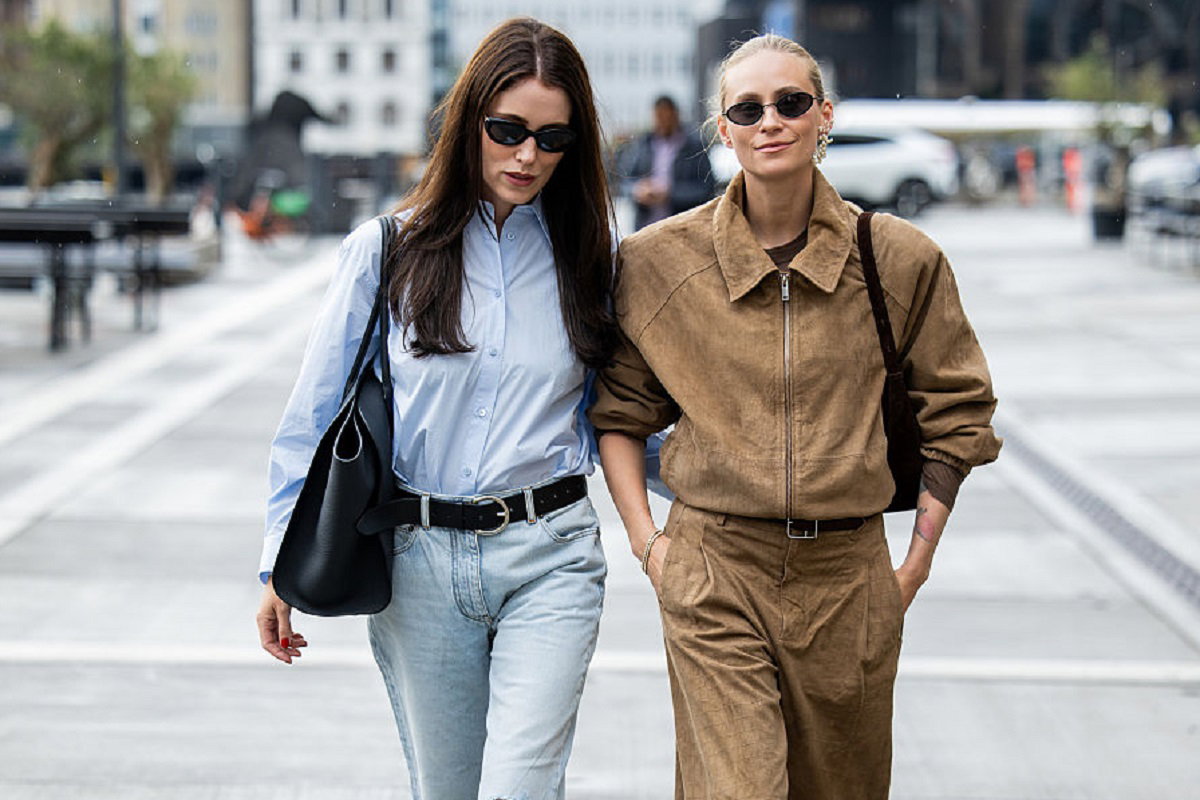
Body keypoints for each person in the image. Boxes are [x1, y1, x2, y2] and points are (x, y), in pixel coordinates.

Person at [589, 33, 1002, 799]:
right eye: (747, 108)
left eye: (790, 102)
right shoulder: (657, 263)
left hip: (849, 579)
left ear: (824, 116)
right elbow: (618, 414)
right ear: (723, 129)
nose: (769, 120)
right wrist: (652, 549)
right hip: (714, 569)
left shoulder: (900, 260)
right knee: (742, 788)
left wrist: (915, 561)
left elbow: (959, 409)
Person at [255, 18, 619, 800]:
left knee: (521, 789)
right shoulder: (386, 249)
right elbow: (313, 417)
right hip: (419, 561)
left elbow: (626, 419)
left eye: (552, 139)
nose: (528, 155)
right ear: (470, 123)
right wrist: (277, 564)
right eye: (508, 129)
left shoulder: (593, 261)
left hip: (551, 552)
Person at [623, 95, 715, 230]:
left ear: (676, 115)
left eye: (667, 116)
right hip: (646, 227)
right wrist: (638, 190)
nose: (663, 121)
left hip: (681, 227)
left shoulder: (694, 147)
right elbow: (624, 182)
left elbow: (706, 189)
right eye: (659, 116)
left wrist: (671, 194)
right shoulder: (642, 145)